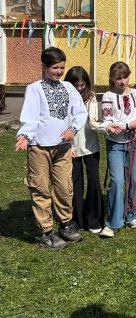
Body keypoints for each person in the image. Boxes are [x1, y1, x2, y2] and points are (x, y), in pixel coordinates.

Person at [16, 47, 87, 249]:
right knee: (40, 188)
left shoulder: (68, 87)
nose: (58, 71)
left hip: (62, 147)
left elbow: (80, 112)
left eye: (62, 67)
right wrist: (24, 135)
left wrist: (72, 129)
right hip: (39, 146)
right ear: (44, 67)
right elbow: (30, 116)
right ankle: (46, 231)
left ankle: (65, 224)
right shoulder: (34, 88)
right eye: (55, 67)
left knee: (65, 187)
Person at [99, 61, 136, 237]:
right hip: (115, 144)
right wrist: (127, 125)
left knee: (135, 180)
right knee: (118, 181)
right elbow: (107, 122)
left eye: (125, 77)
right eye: (118, 78)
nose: (122, 81)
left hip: (135, 143)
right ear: (112, 78)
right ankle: (114, 221)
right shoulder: (108, 96)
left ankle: (133, 215)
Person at [65, 66, 105, 234]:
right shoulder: (64, 98)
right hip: (71, 148)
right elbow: (63, 123)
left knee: (94, 181)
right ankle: (77, 220)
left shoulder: (91, 97)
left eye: (82, 85)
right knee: (75, 184)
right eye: (76, 85)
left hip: (90, 146)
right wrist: (69, 147)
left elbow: (93, 122)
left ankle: (94, 218)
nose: (79, 89)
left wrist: (108, 126)